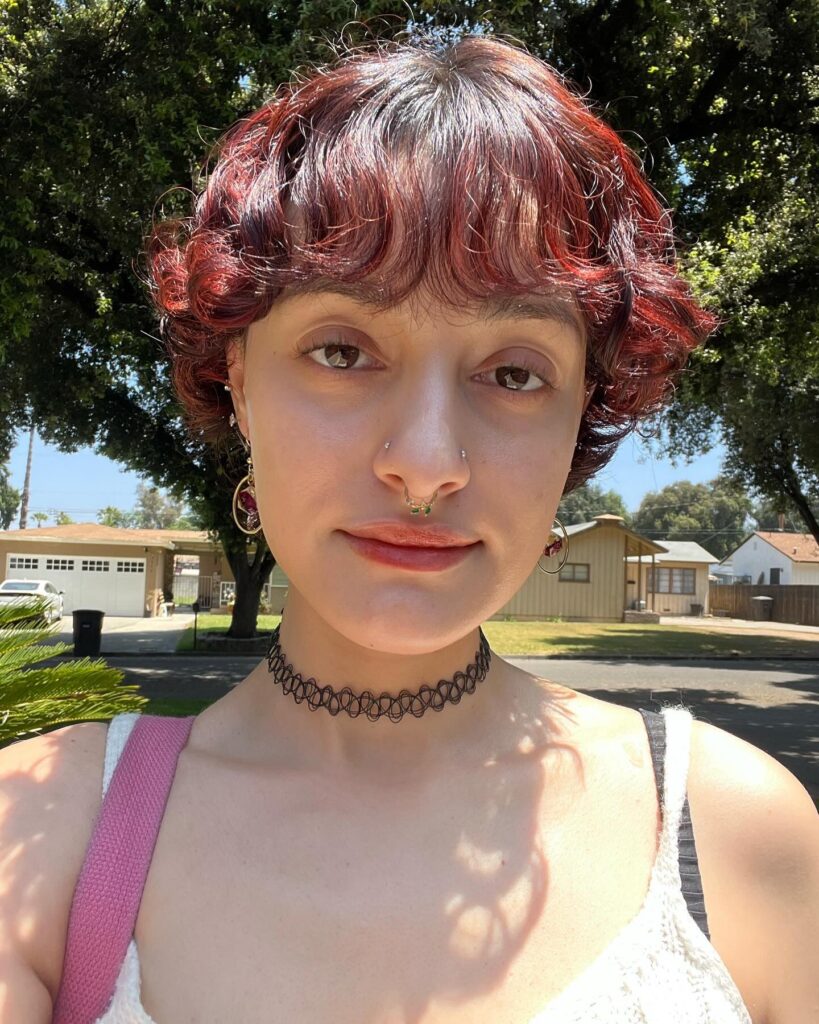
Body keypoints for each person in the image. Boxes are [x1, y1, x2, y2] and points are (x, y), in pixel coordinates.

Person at [2, 33, 817, 1024]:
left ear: (579, 422)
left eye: (514, 372)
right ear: (241, 381)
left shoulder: (736, 838)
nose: (428, 461)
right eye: (343, 350)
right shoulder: (45, 834)